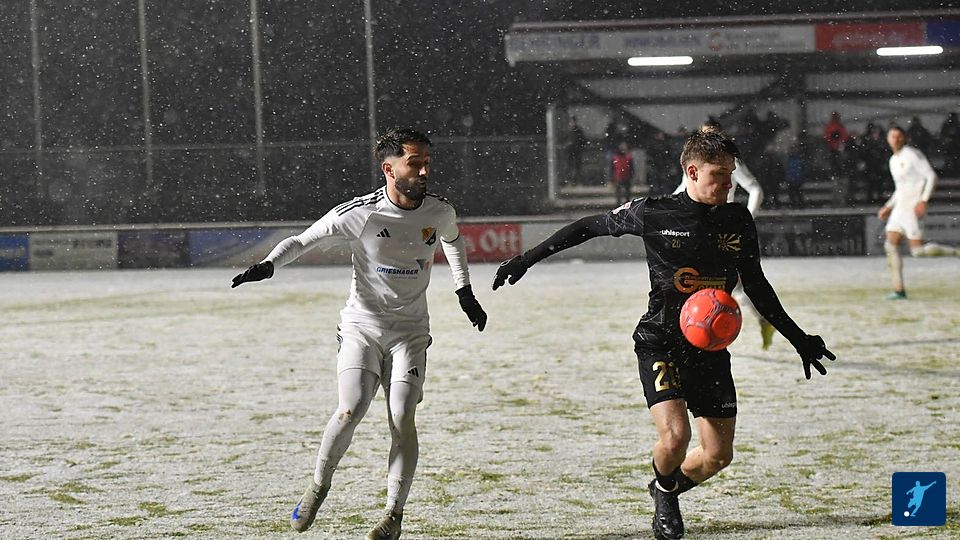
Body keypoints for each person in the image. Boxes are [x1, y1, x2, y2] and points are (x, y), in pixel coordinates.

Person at [492, 128, 835, 540]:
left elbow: (756, 284)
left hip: (709, 350)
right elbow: (588, 226)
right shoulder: (655, 212)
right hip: (660, 341)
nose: (729, 183)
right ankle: (668, 495)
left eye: (731, 174)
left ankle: (663, 486)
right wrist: (527, 259)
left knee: (717, 456)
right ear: (692, 172)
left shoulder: (737, 219)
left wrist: (799, 338)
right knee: (675, 438)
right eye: (719, 174)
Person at [231, 128, 488, 539]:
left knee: (402, 416)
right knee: (351, 409)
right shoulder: (359, 213)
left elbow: (454, 242)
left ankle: (393, 516)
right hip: (361, 328)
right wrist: (269, 265)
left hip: (410, 332)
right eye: (414, 163)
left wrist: (465, 291)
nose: (424, 171)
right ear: (389, 169)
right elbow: (302, 240)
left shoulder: (440, 211)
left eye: (427, 163)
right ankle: (318, 487)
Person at [671, 123, 776, 349]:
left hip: (722, 232)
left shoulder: (730, 162)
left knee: (732, 286)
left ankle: (711, 331)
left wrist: (745, 220)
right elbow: (682, 189)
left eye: (710, 134)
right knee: (696, 283)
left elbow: (756, 190)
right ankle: (698, 333)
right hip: (697, 229)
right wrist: (667, 211)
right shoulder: (696, 161)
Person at [879, 125, 958, 300]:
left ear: (904, 138)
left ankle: (956, 252)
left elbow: (931, 176)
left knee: (918, 252)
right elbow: (900, 189)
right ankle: (899, 290)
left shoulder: (912, 154)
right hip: (899, 210)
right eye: (892, 136)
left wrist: (923, 200)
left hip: (912, 209)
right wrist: (888, 206)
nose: (895, 139)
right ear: (888, 139)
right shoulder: (893, 160)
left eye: (898, 136)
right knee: (890, 245)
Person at [608, 140, 635, 205]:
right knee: (619, 193)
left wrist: (631, 175)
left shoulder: (628, 157)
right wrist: (611, 177)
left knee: (626, 193)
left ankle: (626, 204)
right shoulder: (616, 157)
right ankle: (620, 205)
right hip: (618, 176)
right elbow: (612, 168)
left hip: (626, 176)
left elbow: (631, 167)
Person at [565, 117, 587, 184]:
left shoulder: (579, 131)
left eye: (573, 122)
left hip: (577, 151)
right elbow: (564, 141)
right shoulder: (568, 131)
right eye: (571, 122)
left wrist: (581, 148)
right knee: (569, 166)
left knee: (577, 167)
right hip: (569, 152)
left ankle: (577, 181)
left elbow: (584, 141)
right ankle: (570, 181)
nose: (572, 123)